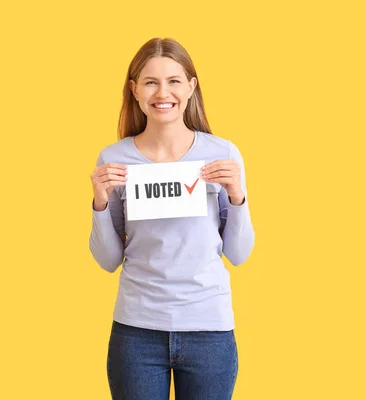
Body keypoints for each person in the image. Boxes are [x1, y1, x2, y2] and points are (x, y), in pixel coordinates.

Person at [88, 37, 255, 400]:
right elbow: (107, 260)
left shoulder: (221, 153)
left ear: (192, 87)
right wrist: (100, 203)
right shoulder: (114, 159)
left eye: (174, 81)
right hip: (137, 332)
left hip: (209, 329)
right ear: (134, 90)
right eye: (150, 82)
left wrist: (238, 196)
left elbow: (239, 254)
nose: (162, 92)